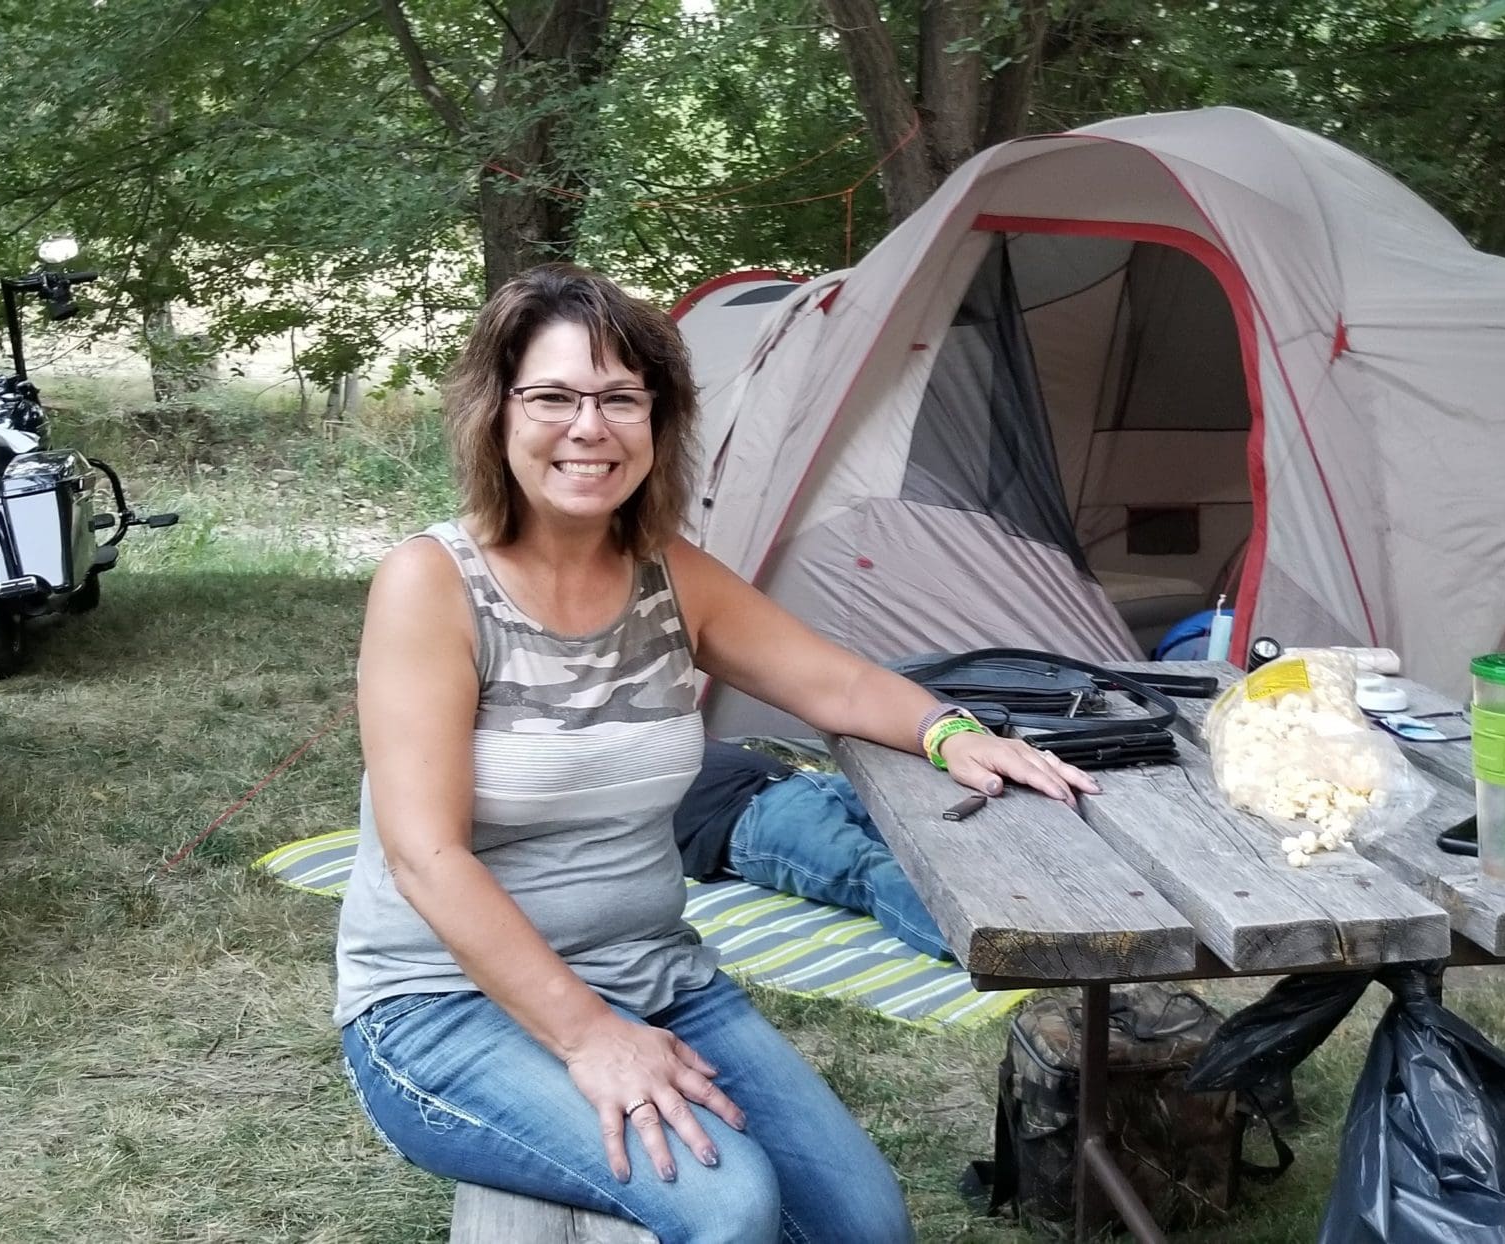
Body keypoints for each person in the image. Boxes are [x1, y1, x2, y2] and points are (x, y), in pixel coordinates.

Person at [333, 262, 1098, 1244]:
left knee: (867, 1222)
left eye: (619, 399)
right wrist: (589, 1033)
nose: (588, 427)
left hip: (654, 973)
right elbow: (425, 858)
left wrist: (953, 731)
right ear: (497, 412)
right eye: (555, 396)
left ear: (657, 420)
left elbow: (840, 684)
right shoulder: (431, 583)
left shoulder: (667, 578)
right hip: (439, 1005)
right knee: (726, 1202)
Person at [672, 741, 954, 960]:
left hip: (797, 779)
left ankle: (995, 902)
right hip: (748, 818)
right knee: (869, 868)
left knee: (929, 823)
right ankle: (984, 951)